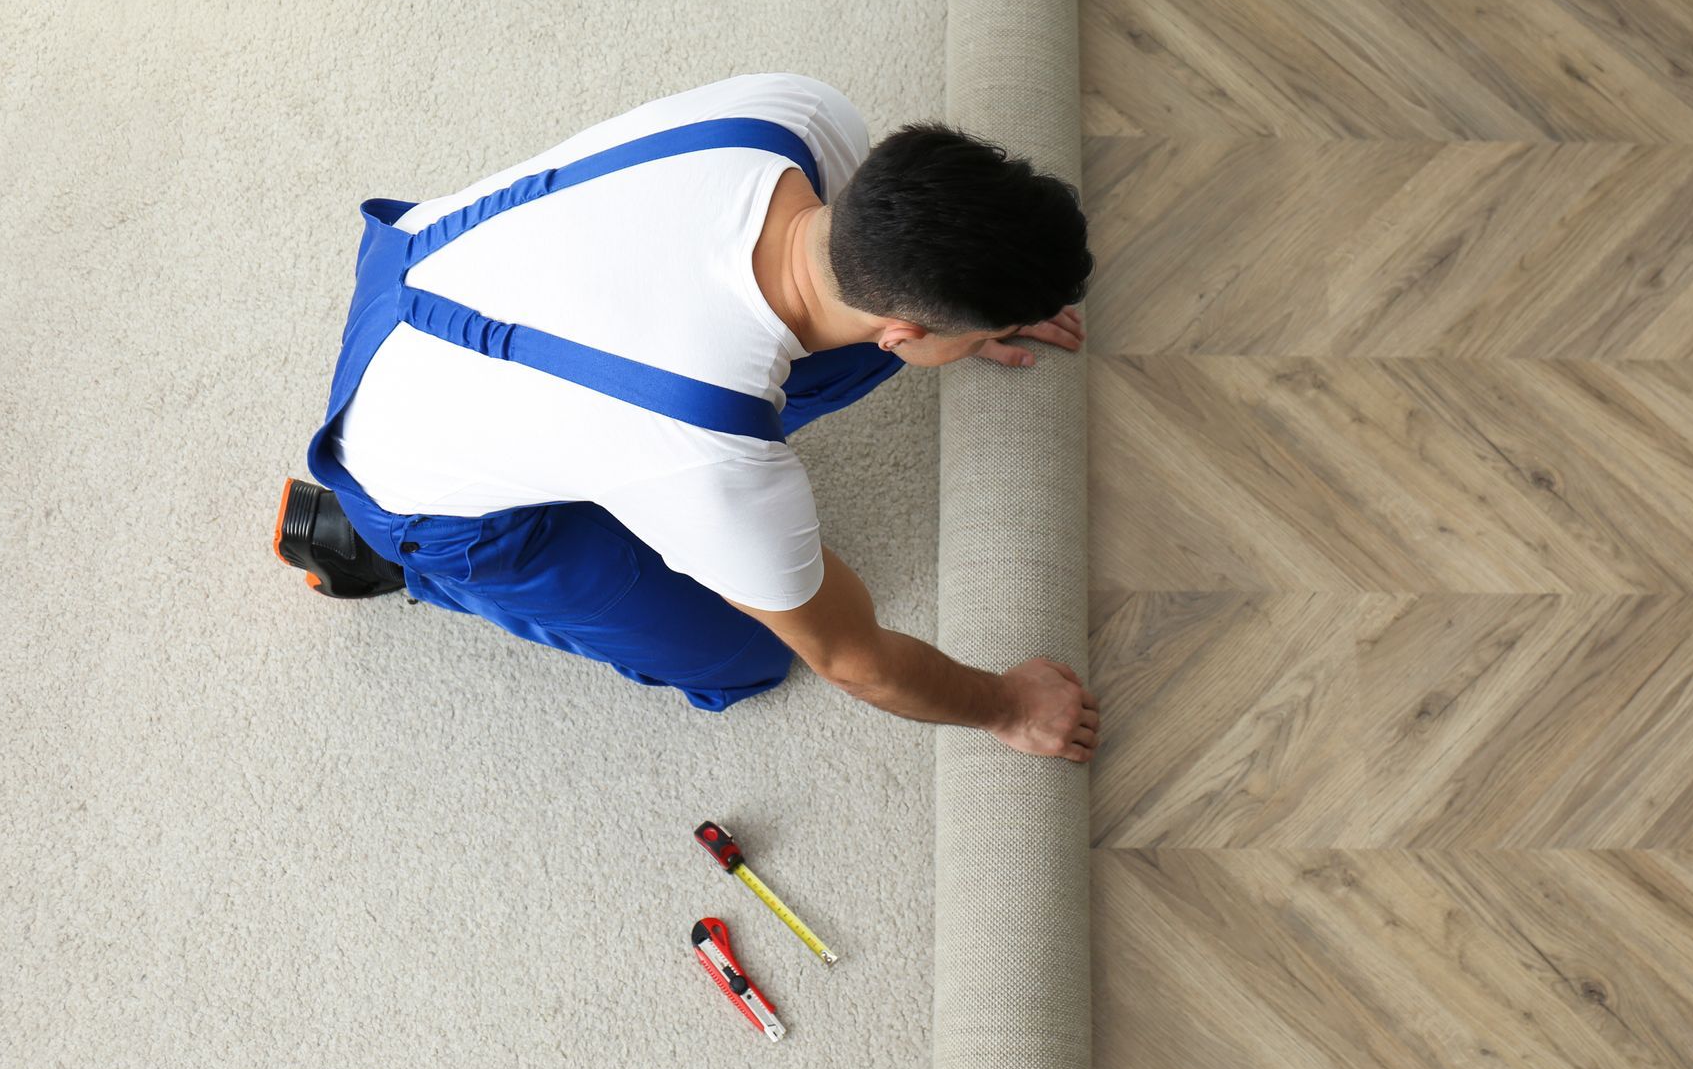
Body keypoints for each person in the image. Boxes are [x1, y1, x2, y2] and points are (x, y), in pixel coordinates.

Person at [274, 72, 1099, 763]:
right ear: (909, 328)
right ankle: (386, 556)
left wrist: (978, 295)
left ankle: (595, 471)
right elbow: (856, 662)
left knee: (849, 355)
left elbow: (889, 279)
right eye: (970, 334)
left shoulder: (803, 118)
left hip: (432, 265)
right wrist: (1008, 706)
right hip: (406, 480)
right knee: (748, 652)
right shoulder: (709, 456)